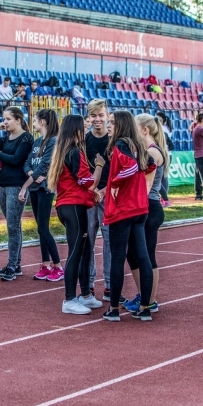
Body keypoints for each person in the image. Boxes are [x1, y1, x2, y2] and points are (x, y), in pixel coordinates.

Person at [102, 111, 157, 322]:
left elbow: (131, 167)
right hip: (140, 207)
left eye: (112, 122)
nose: (108, 125)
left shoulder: (121, 144)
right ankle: (145, 307)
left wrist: (115, 182)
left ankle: (114, 309)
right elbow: (151, 165)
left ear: (122, 125)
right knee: (143, 257)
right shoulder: (139, 145)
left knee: (118, 257)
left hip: (123, 209)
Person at [49, 115, 104, 314]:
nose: (86, 130)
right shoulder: (74, 152)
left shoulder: (64, 151)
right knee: (75, 252)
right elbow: (89, 182)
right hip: (72, 206)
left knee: (85, 250)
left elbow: (81, 184)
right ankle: (69, 299)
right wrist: (99, 165)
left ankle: (86, 295)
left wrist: (91, 192)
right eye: (83, 127)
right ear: (76, 130)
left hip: (71, 205)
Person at [0, 107, 35, 281]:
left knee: (12, 226)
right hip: (1, 184)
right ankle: (16, 264)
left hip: (16, 185)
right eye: (3, 119)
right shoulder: (5, 138)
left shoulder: (26, 138)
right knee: (13, 225)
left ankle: (12, 265)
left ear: (18, 120)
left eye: (8, 119)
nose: (4, 122)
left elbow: (16, 160)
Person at [123, 113, 168, 314]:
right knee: (133, 255)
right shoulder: (147, 150)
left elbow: (142, 183)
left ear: (144, 130)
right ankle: (144, 294)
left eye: (135, 128)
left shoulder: (152, 152)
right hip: (146, 206)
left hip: (150, 206)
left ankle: (149, 299)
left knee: (146, 255)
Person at [20, 109, 63, 282]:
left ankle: (58, 266)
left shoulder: (53, 141)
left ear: (43, 122)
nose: (33, 122)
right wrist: (32, 174)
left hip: (45, 188)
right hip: (35, 188)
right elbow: (27, 163)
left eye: (35, 120)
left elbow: (45, 165)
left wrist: (25, 186)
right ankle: (45, 264)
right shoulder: (37, 141)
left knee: (43, 228)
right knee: (40, 228)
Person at [85, 99, 112, 300]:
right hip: (88, 196)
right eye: (93, 115)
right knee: (88, 240)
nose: (97, 119)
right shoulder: (85, 140)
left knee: (109, 241)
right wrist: (92, 189)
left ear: (107, 116)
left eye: (101, 115)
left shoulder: (114, 141)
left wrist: (102, 191)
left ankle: (110, 285)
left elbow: (119, 173)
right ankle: (89, 284)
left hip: (109, 195)